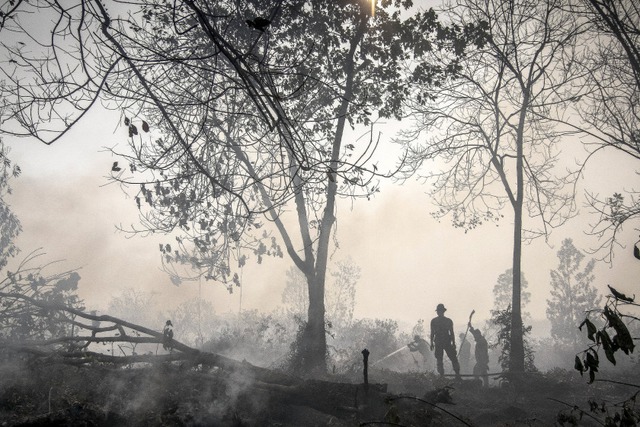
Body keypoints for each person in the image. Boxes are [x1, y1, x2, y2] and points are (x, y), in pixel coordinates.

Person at [430, 304, 461, 378]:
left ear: (442, 311)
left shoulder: (445, 321)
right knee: (440, 359)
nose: (439, 312)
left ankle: (456, 374)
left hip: (444, 341)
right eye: (439, 311)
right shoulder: (438, 321)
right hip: (442, 341)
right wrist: (431, 343)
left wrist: (453, 343)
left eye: (440, 311)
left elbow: (452, 332)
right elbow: (432, 333)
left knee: (452, 358)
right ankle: (442, 375)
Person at [469, 322, 489, 387]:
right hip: (481, 360)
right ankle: (485, 385)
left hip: (482, 360)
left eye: (475, 336)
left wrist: (482, 362)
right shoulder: (480, 339)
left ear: (478, 335)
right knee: (483, 373)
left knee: (476, 372)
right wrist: (471, 327)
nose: (474, 338)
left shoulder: (481, 342)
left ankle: (478, 385)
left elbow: (482, 353)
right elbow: (474, 334)